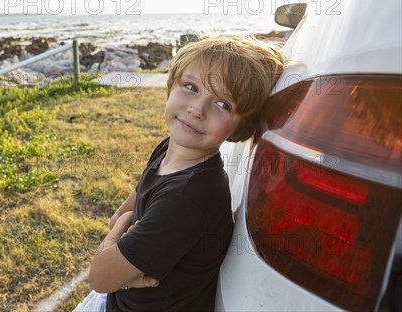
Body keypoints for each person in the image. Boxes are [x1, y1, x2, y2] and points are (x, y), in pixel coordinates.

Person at [73, 35, 285, 312]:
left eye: (223, 104)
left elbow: (100, 277)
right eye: (191, 86)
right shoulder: (168, 149)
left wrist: (117, 246)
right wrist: (121, 252)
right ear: (172, 85)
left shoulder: (187, 199)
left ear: (241, 126)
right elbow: (121, 217)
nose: (197, 109)